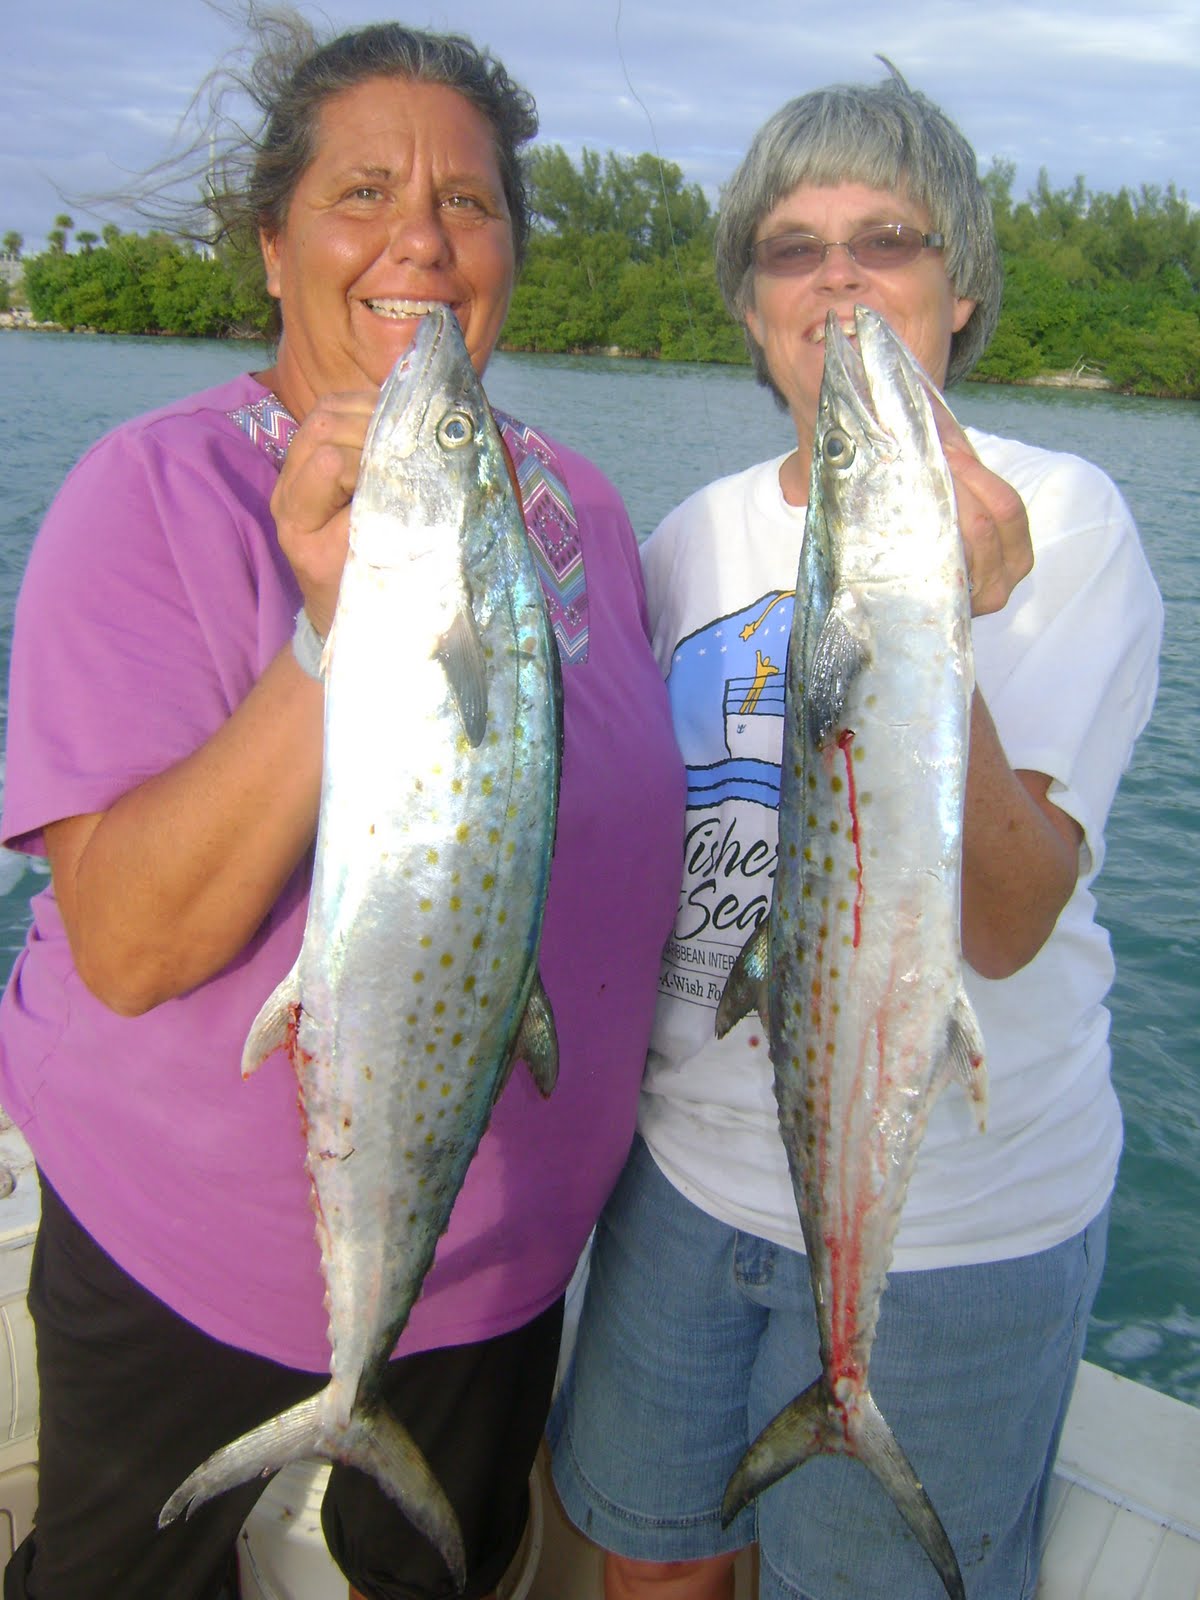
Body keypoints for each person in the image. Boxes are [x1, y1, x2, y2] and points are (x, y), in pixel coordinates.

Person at [0, 15, 684, 1600]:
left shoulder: (574, 500)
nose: (422, 242)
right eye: (362, 193)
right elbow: (128, 944)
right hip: (183, 1265)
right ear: (271, 244)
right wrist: (331, 627)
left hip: (495, 1275)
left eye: (472, 203)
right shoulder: (153, 489)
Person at [549, 64, 1162, 1600]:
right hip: (686, 1185)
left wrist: (927, 625)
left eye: (884, 241)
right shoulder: (690, 536)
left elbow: (1007, 925)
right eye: (791, 248)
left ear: (959, 292)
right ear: (751, 308)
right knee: (650, 1563)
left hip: (960, 1227)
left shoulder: (1065, 517)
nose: (837, 278)